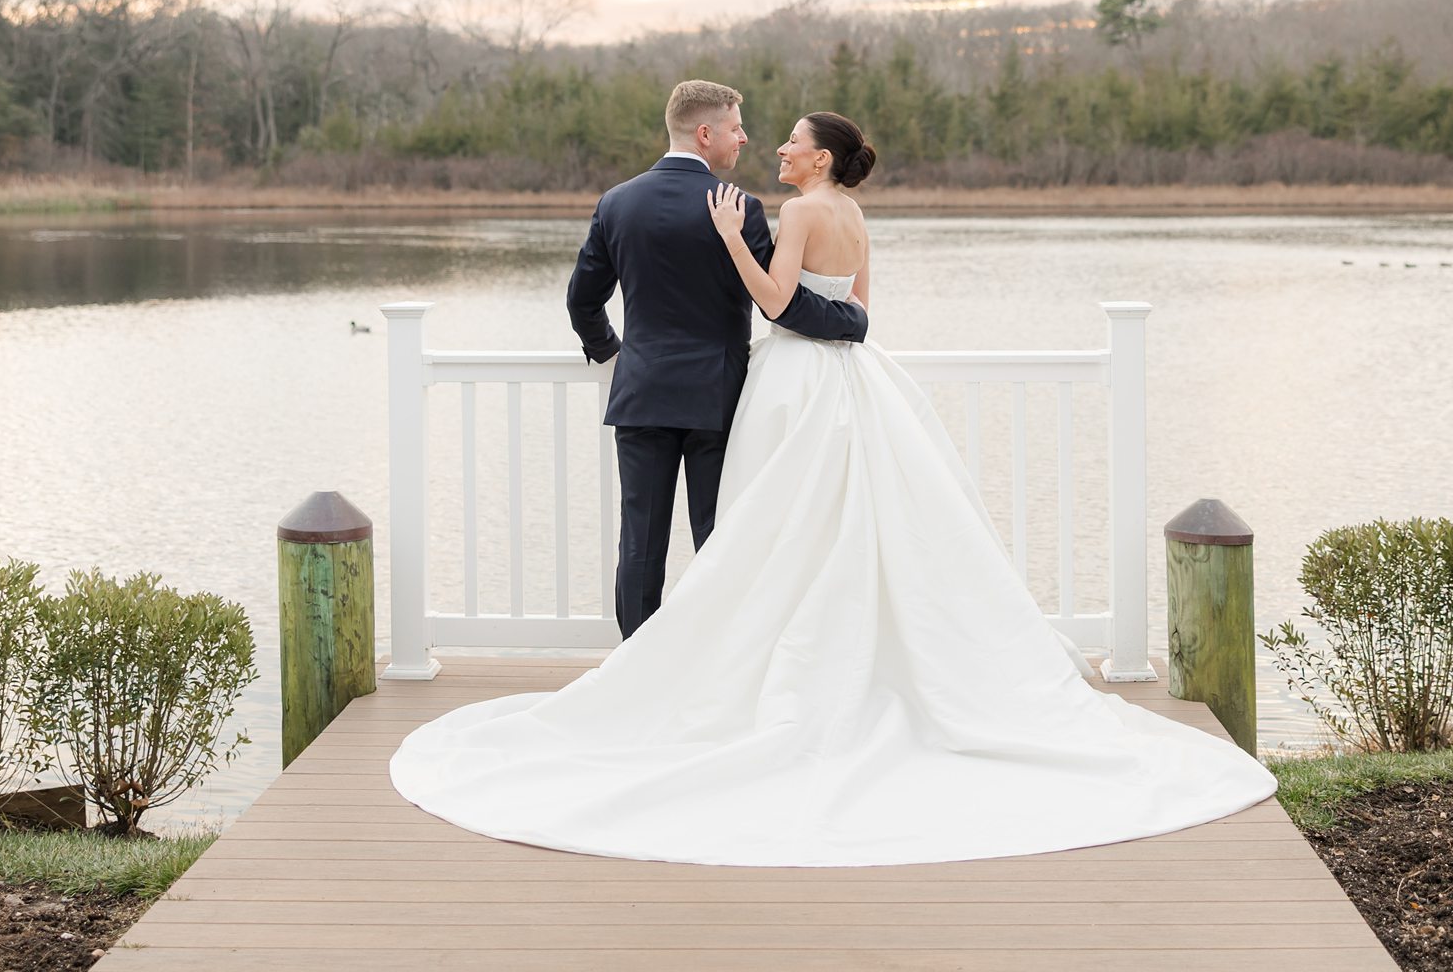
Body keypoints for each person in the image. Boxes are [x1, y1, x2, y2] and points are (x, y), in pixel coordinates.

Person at [391, 108, 1278, 865]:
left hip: (735, 385)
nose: (771, 145)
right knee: (784, 532)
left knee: (731, 536)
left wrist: (732, 249)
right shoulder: (848, 213)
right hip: (820, 382)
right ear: (711, 130)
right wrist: (835, 322)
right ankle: (773, 667)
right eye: (754, 132)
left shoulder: (697, 207)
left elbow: (771, 303)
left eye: (787, 140)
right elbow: (855, 312)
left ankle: (668, 676)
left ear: (818, 156)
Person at [565, 79, 868, 637]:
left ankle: (635, 670)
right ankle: (713, 661)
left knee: (640, 543)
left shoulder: (616, 202)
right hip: (718, 397)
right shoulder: (740, 208)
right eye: (735, 128)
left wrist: (614, 356)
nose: (745, 140)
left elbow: (582, 300)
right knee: (721, 538)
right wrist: (854, 322)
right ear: (705, 134)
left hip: (642, 394)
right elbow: (784, 304)